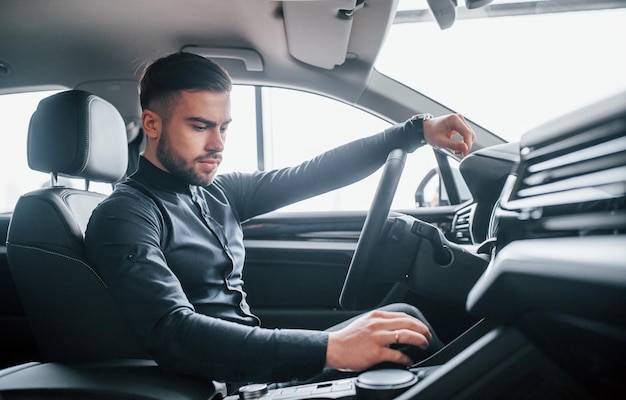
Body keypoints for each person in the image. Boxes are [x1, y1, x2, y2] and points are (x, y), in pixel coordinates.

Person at [84, 52, 475, 385]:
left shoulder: (217, 192)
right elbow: (172, 332)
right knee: (403, 336)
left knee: (400, 323)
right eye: (200, 126)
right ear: (152, 124)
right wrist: (331, 348)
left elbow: (314, 173)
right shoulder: (125, 215)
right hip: (222, 381)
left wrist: (416, 131)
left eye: (223, 128)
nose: (218, 144)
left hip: (253, 367)